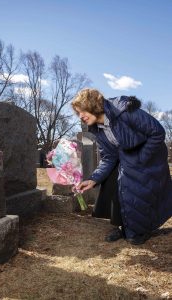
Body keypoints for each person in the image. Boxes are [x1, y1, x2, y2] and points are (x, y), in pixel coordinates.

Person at [72, 88, 172, 245]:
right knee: (114, 181)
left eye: (82, 111)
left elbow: (158, 132)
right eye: (78, 113)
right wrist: (93, 179)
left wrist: (141, 158)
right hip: (128, 158)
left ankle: (141, 230)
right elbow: (109, 157)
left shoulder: (124, 111)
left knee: (139, 191)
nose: (81, 116)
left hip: (150, 158)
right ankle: (124, 227)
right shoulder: (97, 129)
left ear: (92, 105)